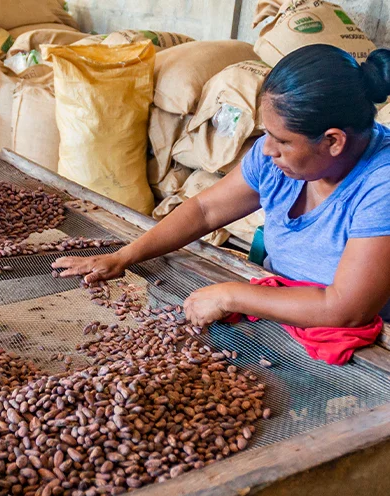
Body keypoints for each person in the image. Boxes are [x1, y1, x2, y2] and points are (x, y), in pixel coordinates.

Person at [54, 44, 390, 329]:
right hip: (280, 305)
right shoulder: (276, 158)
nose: (267, 149)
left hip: (356, 338)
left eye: (283, 140)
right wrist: (124, 256)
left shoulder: (381, 185)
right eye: (268, 134)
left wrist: (231, 294)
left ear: (333, 141)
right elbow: (205, 210)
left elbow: (346, 310)